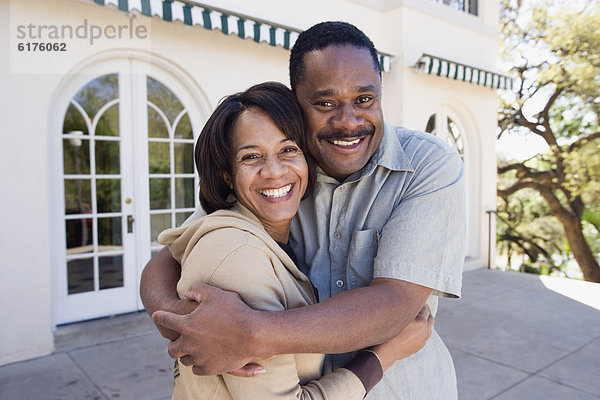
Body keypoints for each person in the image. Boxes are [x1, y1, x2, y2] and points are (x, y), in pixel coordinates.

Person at [143, 21, 466, 399]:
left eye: (364, 99)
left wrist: (249, 332)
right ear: (297, 102)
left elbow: (395, 303)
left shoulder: (428, 165)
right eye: (325, 103)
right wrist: (182, 322)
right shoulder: (280, 174)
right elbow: (173, 256)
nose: (348, 122)